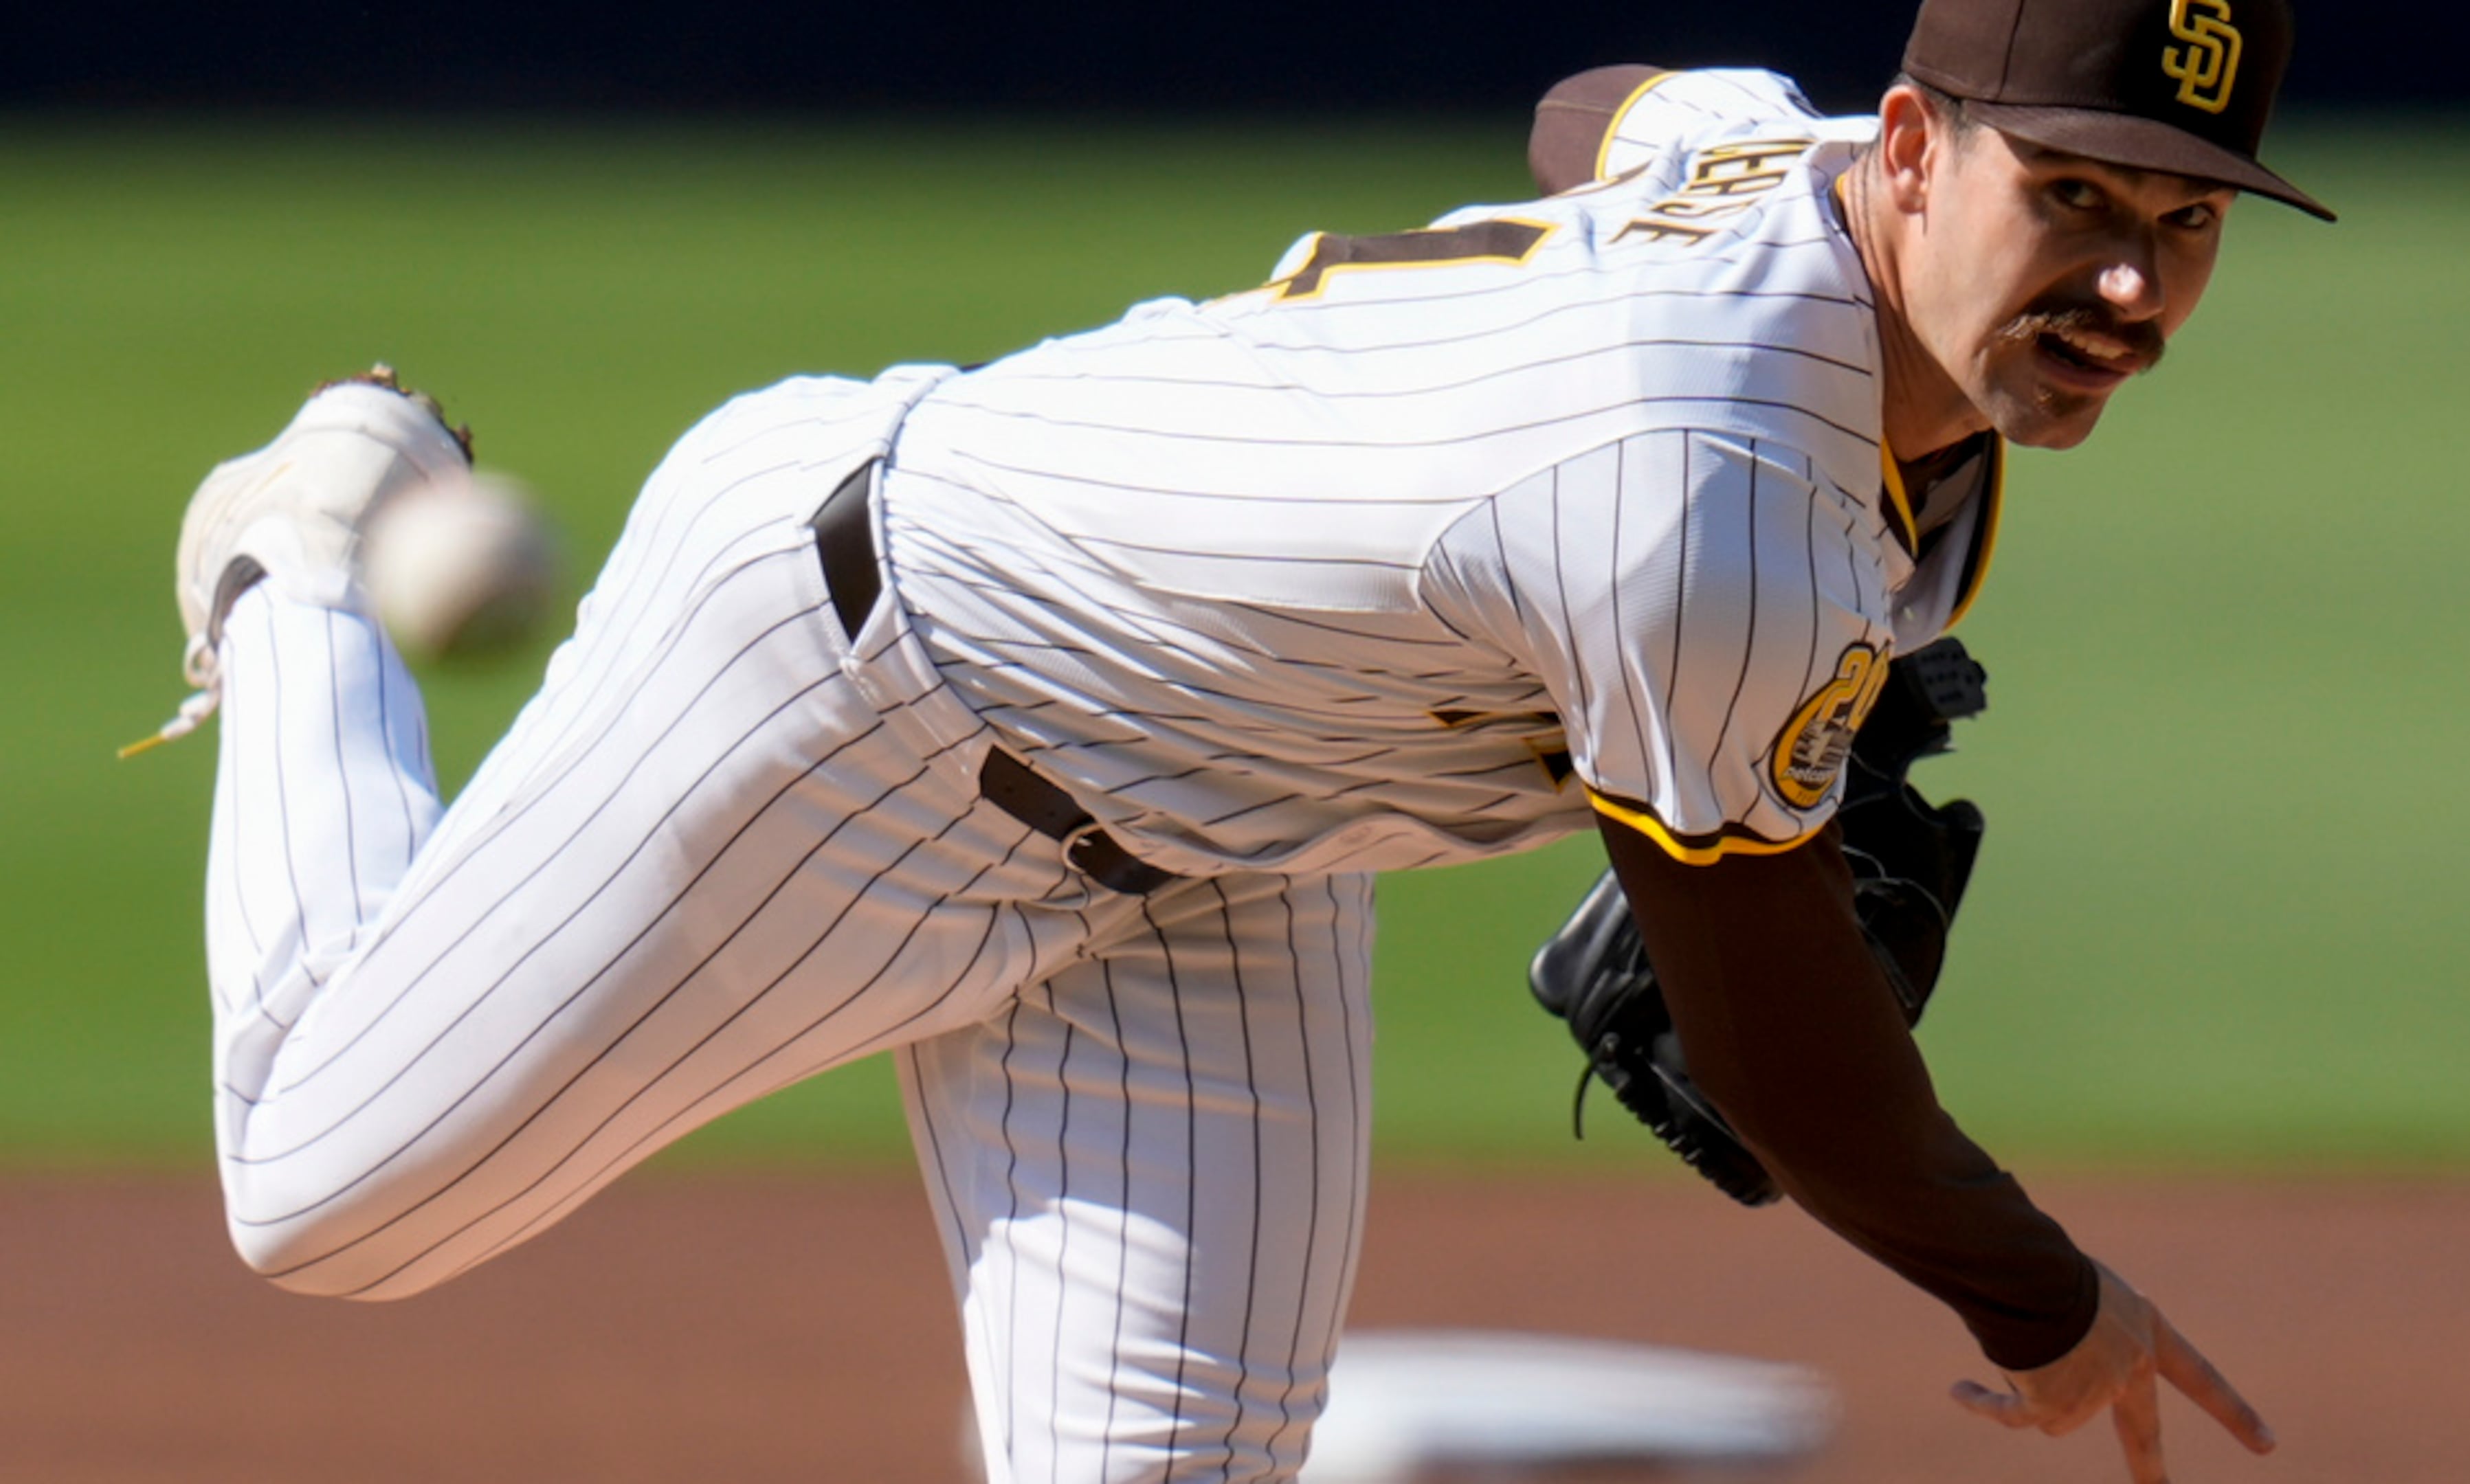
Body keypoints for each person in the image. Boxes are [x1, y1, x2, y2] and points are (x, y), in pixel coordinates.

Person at [141, 0, 2326, 1479]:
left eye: (2187, 222)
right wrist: (2043, 1299)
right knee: (324, 1205)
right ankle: (301, 565)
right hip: (852, 685)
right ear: (1925, 151)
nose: (2132, 290)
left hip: (1234, 862)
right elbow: (1787, 1058)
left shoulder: (1789, 155)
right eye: (2080, 204)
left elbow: (1604, 106)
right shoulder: (1709, 503)